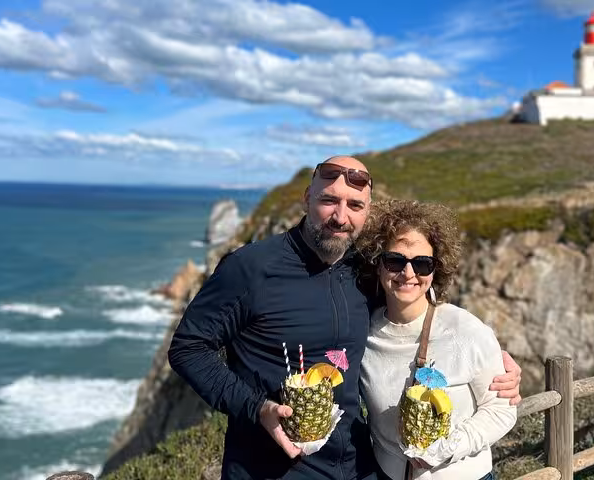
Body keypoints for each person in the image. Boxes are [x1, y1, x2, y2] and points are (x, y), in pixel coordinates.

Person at [168, 156, 522, 479]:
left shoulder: (363, 271)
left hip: (357, 467)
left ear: (366, 213)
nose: (341, 216)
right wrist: (257, 408)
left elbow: (413, 303)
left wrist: (494, 363)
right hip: (271, 468)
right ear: (307, 198)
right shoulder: (250, 267)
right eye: (328, 201)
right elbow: (188, 347)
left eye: (355, 205)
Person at [357, 199, 517, 480]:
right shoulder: (363, 333)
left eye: (422, 263)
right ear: (378, 265)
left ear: (435, 269)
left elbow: (501, 411)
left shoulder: (465, 330)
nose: (408, 273)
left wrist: (446, 449)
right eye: (395, 260)